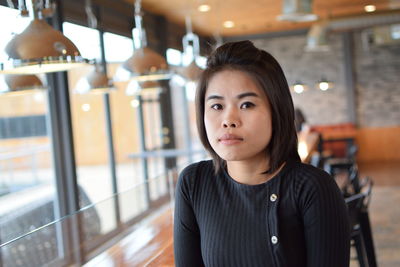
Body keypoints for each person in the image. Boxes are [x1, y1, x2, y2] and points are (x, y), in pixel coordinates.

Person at [173, 40, 350, 267]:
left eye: (246, 104)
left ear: (276, 111)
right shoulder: (194, 182)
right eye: (216, 106)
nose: (228, 120)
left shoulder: (312, 188)